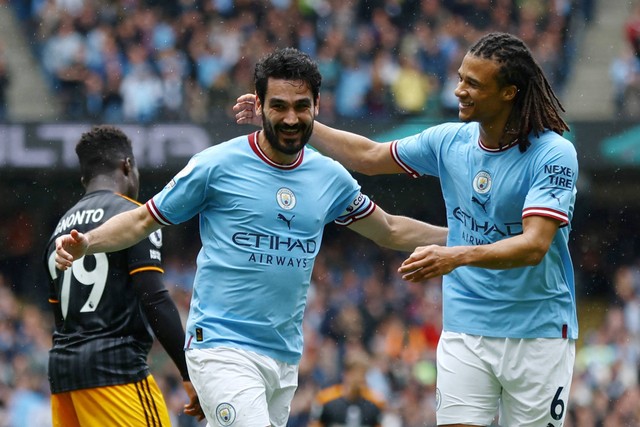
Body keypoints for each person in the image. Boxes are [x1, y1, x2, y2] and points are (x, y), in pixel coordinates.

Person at [54, 48, 448, 427]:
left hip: (284, 357)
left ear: (317, 106)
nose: (290, 118)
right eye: (278, 106)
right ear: (258, 105)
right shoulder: (215, 166)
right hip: (221, 348)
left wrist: (466, 240)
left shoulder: (330, 178)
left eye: (301, 106)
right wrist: (88, 242)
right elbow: (143, 221)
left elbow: (391, 230)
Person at [234, 32, 579, 427]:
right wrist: (304, 123)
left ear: (508, 93)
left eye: (473, 84)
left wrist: (455, 255)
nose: (459, 90)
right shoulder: (449, 140)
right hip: (465, 327)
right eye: (461, 78)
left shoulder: (553, 153)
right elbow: (369, 155)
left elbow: (534, 245)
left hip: (539, 332)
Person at [43, 125, 204, 426]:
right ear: (127, 166)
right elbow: (154, 298)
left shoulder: (58, 232)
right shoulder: (132, 216)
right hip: (115, 371)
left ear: (84, 178)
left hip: (64, 377)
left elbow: (62, 319)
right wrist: (188, 372)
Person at [309, 350, 385, 427]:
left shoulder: (375, 402)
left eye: (363, 376)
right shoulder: (325, 399)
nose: (361, 379)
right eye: (357, 376)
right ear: (346, 374)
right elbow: (315, 424)